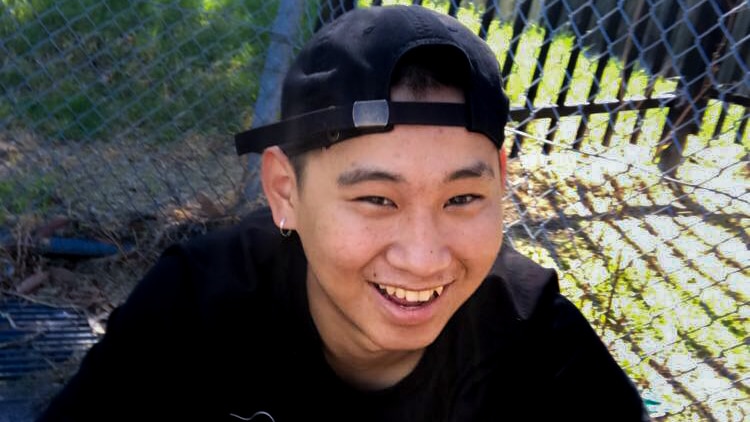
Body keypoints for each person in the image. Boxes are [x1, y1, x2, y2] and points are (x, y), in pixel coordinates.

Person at [37, 5, 650, 421]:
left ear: (502, 181)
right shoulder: (195, 307)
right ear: (285, 191)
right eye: (376, 200)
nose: (424, 256)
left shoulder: (538, 345)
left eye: (462, 198)